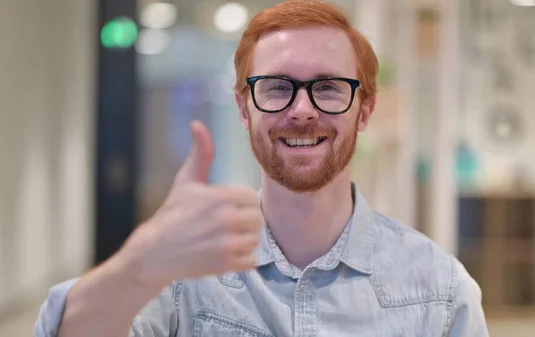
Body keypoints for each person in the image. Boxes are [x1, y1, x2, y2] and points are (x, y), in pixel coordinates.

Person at [35, 1, 489, 336]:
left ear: (365, 110)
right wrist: (141, 260)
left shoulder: (441, 290)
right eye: (277, 87)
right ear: (243, 107)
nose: (303, 111)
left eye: (328, 88)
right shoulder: (184, 278)